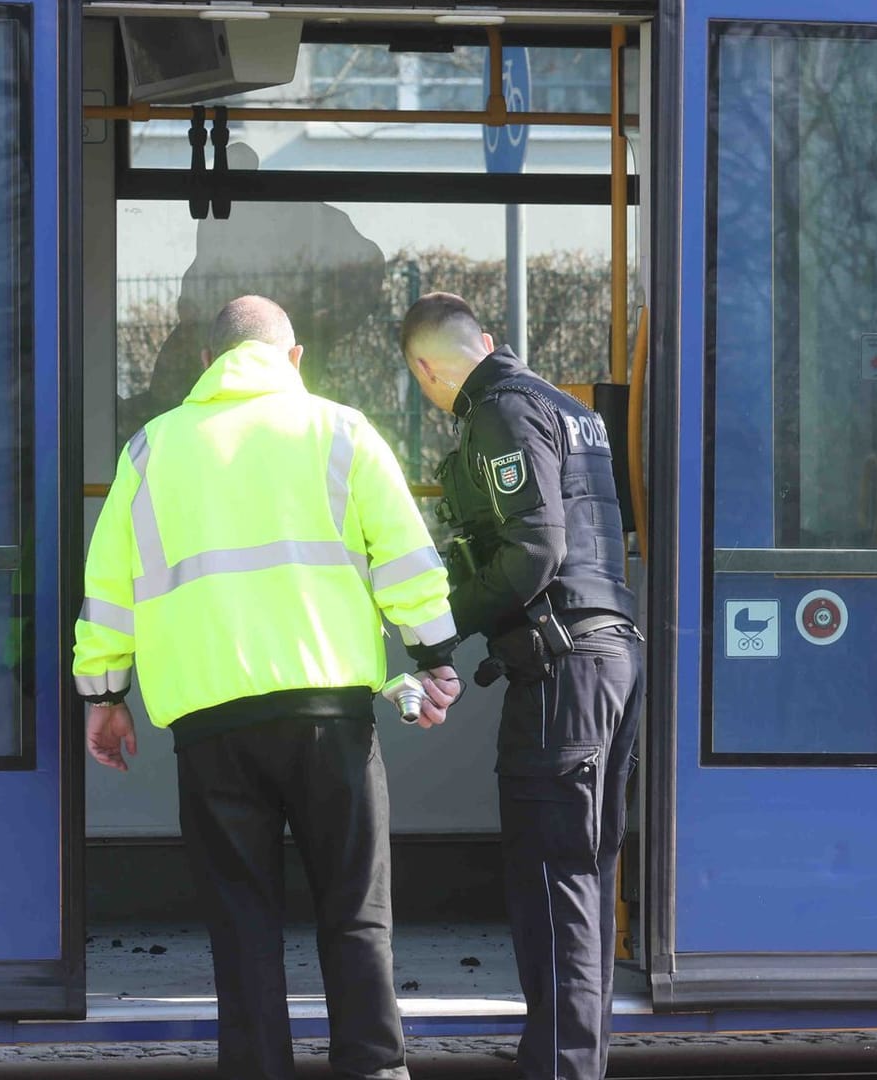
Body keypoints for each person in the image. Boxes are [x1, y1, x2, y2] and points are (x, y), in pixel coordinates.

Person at [74, 295, 464, 1080]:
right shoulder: (340, 429)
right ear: (292, 358)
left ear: (211, 364)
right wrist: (434, 656)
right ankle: (374, 1069)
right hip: (330, 719)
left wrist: (105, 698)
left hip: (213, 728)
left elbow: (109, 588)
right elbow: (404, 556)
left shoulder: (153, 449)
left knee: (242, 921)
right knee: (356, 911)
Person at [397, 292, 644, 1080]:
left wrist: (438, 627)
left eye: (423, 384)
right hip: (609, 659)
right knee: (586, 878)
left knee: (552, 886)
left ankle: (562, 1072)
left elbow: (534, 550)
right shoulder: (568, 409)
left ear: (427, 368)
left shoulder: (500, 412)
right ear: (489, 338)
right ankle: (572, 1062)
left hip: (564, 674)